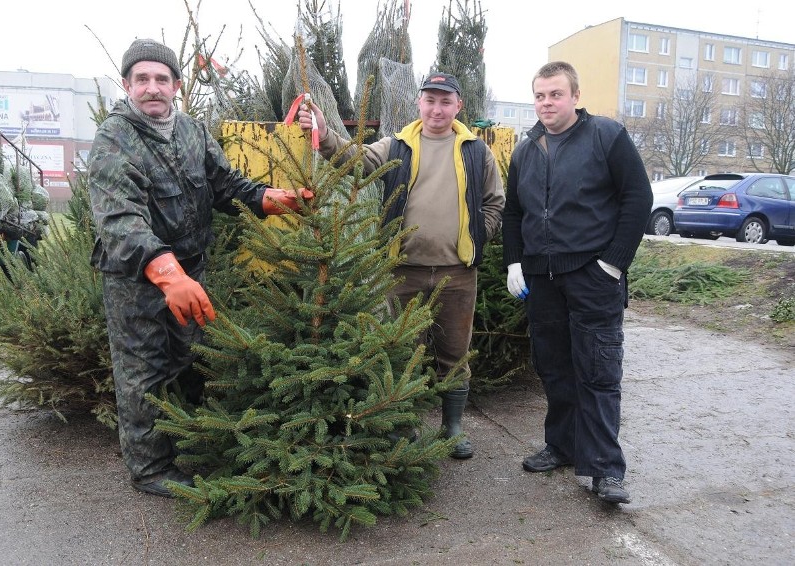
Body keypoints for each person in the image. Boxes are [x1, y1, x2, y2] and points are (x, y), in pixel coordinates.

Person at [88, 38, 312, 497]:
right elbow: (121, 219)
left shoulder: (192, 130)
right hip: (138, 281)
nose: (152, 88)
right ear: (127, 84)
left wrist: (268, 199)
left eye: (161, 79)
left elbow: (223, 183)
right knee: (143, 370)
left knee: (189, 360)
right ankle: (149, 469)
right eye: (142, 79)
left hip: (193, 272)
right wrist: (168, 275)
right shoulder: (115, 138)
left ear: (176, 84)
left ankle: (188, 443)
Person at [296, 72, 505, 459]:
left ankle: (453, 427)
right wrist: (324, 134)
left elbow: (495, 202)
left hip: (457, 273)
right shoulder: (398, 146)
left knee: (454, 352)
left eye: (446, 101)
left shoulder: (477, 152)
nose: (437, 108)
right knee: (402, 350)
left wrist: (479, 233)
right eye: (430, 100)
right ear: (419, 103)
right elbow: (353, 160)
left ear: (458, 105)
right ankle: (403, 426)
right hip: (402, 271)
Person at [502, 61, 653, 504]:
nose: (547, 103)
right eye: (540, 96)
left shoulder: (606, 137)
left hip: (593, 275)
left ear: (575, 96)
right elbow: (513, 212)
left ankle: (605, 469)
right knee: (554, 366)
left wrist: (614, 263)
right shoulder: (526, 149)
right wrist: (515, 263)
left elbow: (637, 197)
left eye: (555, 94)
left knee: (598, 372)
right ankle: (562, 446)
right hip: (542, 280)